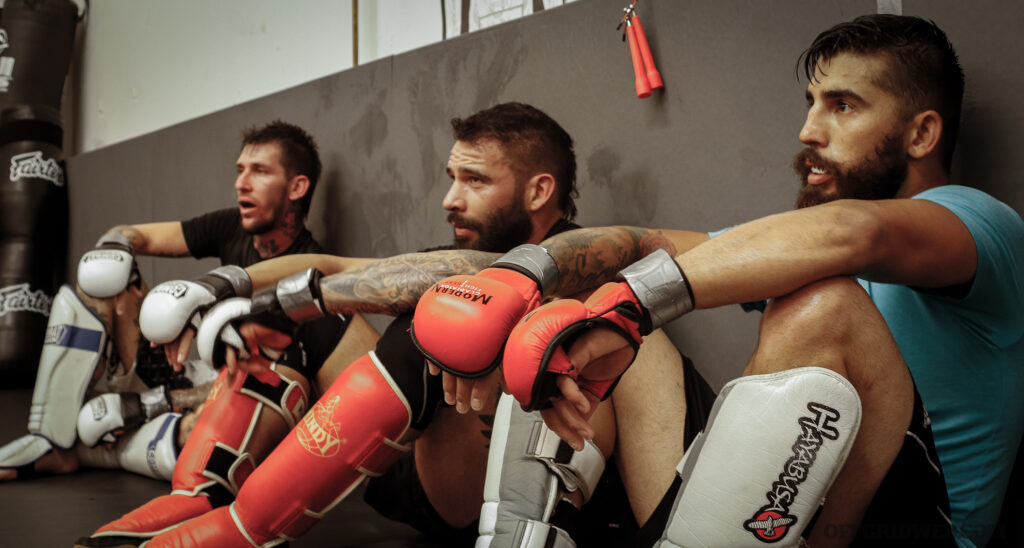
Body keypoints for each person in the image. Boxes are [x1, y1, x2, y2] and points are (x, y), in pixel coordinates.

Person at [440, 14, 1021, 548]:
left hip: (907, 528)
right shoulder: (809, 241)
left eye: (842, 106)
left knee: (823, 304)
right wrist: (523, 273)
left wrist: (631, 307)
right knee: (573, 308)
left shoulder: (979, 222)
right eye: (812, 102)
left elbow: (858, 233)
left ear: (921, 135)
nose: (808, 130)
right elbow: (642, 244)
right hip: (774, 519)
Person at [87, 102, 712, 547]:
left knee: (464, 313)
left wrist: (270, 298)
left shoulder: (585, 258)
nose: (450, 198)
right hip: (411, 467)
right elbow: (333, 264)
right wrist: (231, 288)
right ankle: (202, 493)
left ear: (538, 190)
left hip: (501, 488)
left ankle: (247, 528)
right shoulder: (452, 257)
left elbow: (698, 251)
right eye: (451, 178)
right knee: (306, 325)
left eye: (475, 180)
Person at [0, 120, 377, 492]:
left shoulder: (307, 273)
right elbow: (138, 235)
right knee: (103, 276)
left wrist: (150, 404)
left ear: (297, 187)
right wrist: (117, 242)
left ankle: (82, 447)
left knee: (206, 435)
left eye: (259, 171)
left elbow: (285, 383)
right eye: (240, 170)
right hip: (181, 369)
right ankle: (51, 435)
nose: (240, 183)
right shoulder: (230, 226)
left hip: (234, 394)